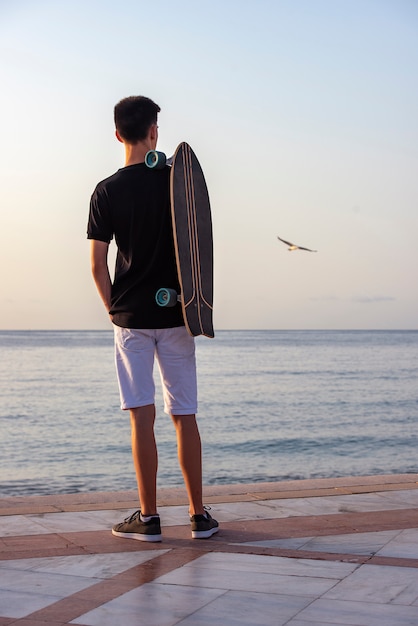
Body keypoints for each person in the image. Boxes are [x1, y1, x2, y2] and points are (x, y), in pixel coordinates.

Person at [87, 95, 218, 542]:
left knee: (141, 417)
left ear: (118, 134)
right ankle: (199, 516)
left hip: (131, 319)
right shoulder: (176, 183)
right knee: (185, 414)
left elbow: (96, 264)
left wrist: (113, 309)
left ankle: (148, 519)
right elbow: (196, 245)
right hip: (178, 314)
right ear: (154, 132)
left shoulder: (106, 191)